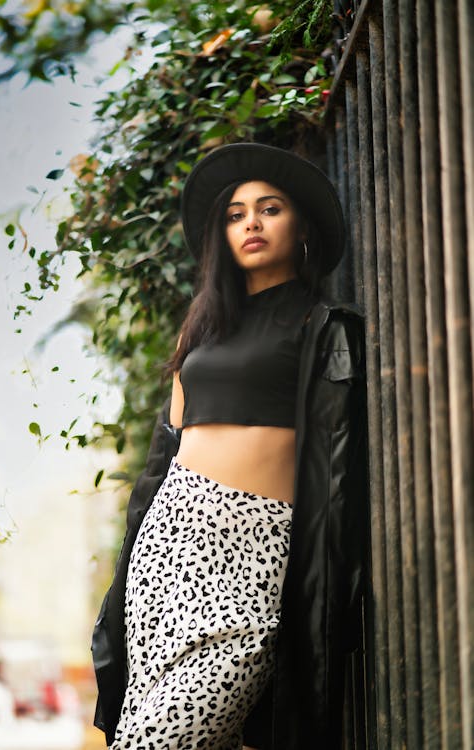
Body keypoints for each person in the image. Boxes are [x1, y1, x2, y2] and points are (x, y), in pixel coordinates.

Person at [92, 143, 367, 750]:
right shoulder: (203, 325)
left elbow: (340, 461)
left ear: (301, 228)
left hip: (255, 561)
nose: (252, 223)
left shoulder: (320, 324)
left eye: (269, 209)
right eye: (237, 213)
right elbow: (166, 450)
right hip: (168, 553)